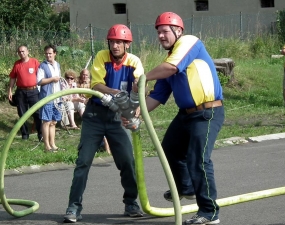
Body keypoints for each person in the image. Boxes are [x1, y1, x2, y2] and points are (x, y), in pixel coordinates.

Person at [128, 12, 224, 225]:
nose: (161, 35)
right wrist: (135, 115)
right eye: (158, 32)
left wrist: (142, 77)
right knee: (170, 148)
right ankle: (186, 188)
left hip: (208, 113)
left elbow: (172, 67)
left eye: (165, 31)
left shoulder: (190, 42)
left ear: (178, 31)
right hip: (186, 115)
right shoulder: (167, 63)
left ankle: (209, 212)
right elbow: (156, 97)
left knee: (198, 159)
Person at [63, 24, 144, 223]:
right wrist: (118, 94)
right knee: (83, 162)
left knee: (127, 161)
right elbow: (96, 84)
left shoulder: (134, 62)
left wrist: (135, 111)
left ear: (127, 44)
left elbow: (140, 88)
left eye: (119, 42)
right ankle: (73, 207)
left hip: (117, 119)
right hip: (95, 116)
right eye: (112, 41)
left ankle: (131, 202)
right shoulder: (102, 56)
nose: (115, 45)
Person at [8, 45, 42, 141]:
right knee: (22, 114)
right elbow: (13, 78)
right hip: (21, 92)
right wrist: (10, 90)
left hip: (33, 91)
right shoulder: (17, 64)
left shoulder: (34, 62)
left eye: (23, 51)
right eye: (19, 52)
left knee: (37, 114)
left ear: (27, 51)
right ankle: (25, 135)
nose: (21, 53)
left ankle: (40, 134)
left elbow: (41, 75)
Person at [37, 44, 64, 153]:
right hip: (47, 97)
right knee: (46, 121)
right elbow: (39, 81)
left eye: (50, 53)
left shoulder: (57, 65)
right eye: (46, 53)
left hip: (57, 97)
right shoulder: (42, 66)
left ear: (54, 54)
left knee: (53, 122)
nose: (48, 55)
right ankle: (46, 146)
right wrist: (52, 79)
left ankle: (53, 144)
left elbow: (60, 79)